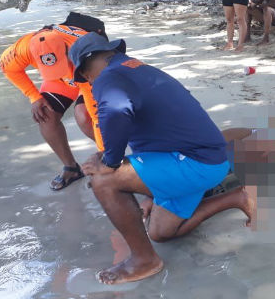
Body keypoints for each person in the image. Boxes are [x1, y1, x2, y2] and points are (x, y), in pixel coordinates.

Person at [69, 32, 253, 285]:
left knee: (104, 180)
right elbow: (150, 139)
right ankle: (237, 197)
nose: (87, 81)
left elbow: (116, 111)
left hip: (195, 163)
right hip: (202, 158)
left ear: (92, 61)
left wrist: (109, 161)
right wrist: (148, 194)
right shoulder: (135, 68)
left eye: (84, 74)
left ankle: (145, 261)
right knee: (161, 232)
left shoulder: (109, 77)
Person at [0, 13, 107, 190]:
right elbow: (7, 68)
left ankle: (110, 159)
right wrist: (34, 96)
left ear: (66, 49)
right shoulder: (25, 46)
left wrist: (107, 166)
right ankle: (72, 168)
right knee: (45, 115)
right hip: (61, 80)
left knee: (84, 116)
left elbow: (97, 116)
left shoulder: (87, 51)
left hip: (87, 76)